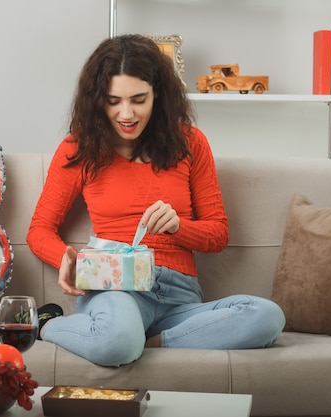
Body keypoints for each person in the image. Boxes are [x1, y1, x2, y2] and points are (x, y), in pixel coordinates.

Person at [26, 34, 285, 367]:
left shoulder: (190, 142)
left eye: (138, 99)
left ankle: (151, 341)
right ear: (96, 100)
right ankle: (48, 324)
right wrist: (67, 259)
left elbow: (218, 234)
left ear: (158, 95)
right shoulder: (78, 148)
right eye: (113, 101)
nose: (126, 113)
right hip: (116, 289)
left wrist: (179, 227)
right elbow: (39, 230)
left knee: (266, 317)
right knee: (117, 338)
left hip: (180, 299)